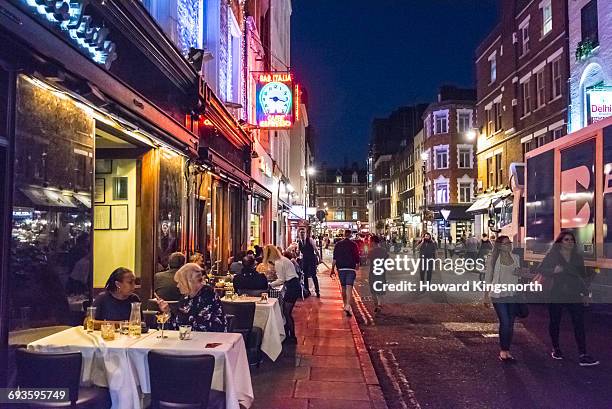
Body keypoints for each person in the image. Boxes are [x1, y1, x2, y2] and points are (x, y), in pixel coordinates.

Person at [534, 231, 599, 366]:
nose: (570, 242)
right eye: (566, 240)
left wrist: (586, 294)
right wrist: (553, 271)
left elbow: (582, 277)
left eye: (571, 240)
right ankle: (556, 349)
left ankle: (583, 354)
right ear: (560, 242)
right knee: (555, 322)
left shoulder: (577, 257)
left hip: (573, 294)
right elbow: (540, 270)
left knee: (578, 323)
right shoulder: (552, 255)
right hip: (556, 293)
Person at [157, 263, 226, 332]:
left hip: (209, 340)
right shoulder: (186, 297)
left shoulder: (208, 295)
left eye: (180, 282)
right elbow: (178, 323)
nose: (178, 286)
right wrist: (168, 311)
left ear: (189, 282)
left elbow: (199, 327)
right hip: (190, 339)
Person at [484, 235, 521, 362]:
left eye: (509, 242)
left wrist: (521, 273)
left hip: (512, 294)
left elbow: (519, 274)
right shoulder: (493, 259)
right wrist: (485, 296)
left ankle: (507, 350)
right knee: (505, 321)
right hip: (498, 295)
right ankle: (503, 351)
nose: (509, 244)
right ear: (499, 246)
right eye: (506, 243)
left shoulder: (516, 258)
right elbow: (488, 277)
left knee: (510, 323)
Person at [263, 245, 300, 343]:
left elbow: (281, 279)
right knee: (286, 312)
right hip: (294, 285)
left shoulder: (279, 262)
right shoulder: (283, 259)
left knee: (287, 313)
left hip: (292, 287)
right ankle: (289, 335)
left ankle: (292, 337)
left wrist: (270, 285)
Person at [331, 229, 360, 316]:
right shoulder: (354, 244)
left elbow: (335, 258)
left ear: (344, 234)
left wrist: (332, 269)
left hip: (341, 268)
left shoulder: (338, 244)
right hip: (351, 268)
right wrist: (357, 264)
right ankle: (348, 305)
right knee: (349, 287)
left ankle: (345, 304)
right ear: (350, 235)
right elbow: (357, 256)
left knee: (343, 287)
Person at [298, 227, 321, 297]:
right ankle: (307, 291)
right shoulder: (299, 242)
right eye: (301, 233)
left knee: (313, 275)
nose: (302, 234)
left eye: (303, 233)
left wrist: (320, 258)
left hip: (312, 259)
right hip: (305, 260)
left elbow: (316, 250)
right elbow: (300, 252)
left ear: (305, 233)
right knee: (305, 275)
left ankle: (317, 291)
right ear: (299, 234)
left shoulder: (310, 240)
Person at [369, 235, 388, 313]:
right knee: (380, 288)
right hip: (381, 271)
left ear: (373, 242)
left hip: (373, 272)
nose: (370, 243)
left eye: (371, 241)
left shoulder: (371, 251)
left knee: (373, 289)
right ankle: (379, 304)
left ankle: (376, 305)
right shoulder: (383, 250)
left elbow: (368, 260)